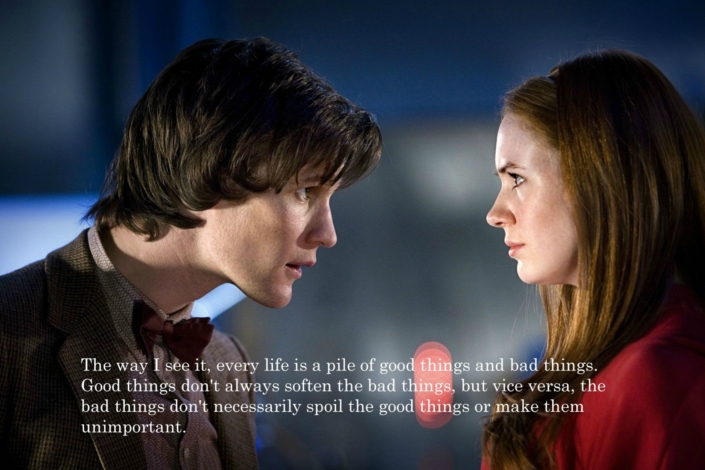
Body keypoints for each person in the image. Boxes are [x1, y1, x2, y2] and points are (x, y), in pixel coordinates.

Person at [0, 37, 381, 469]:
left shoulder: (229, 362)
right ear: (211, 169)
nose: (327, 234)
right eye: (304, 191)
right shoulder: (9, 331)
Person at [484, 50, 705, 469]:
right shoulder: (626, 370)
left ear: (600, 177)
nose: (495, 214)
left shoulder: (651, 381)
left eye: (517, 178)